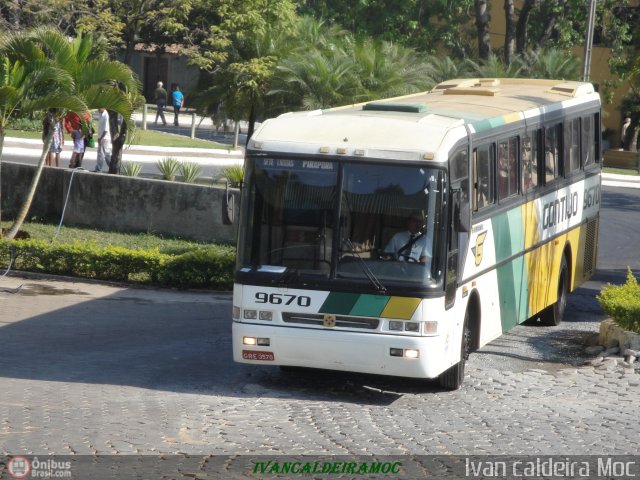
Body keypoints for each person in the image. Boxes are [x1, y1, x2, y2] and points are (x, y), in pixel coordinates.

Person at [93, 108, 111, 172]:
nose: (98, 109)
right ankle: (99, 168)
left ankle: (99, 169)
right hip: (101, 137)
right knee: (103, 154)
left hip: (105, 138)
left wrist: (101, 138)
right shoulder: (101, 114)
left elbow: (106, 130)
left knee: (104, 154)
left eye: (99, 108)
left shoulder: (106, 115)